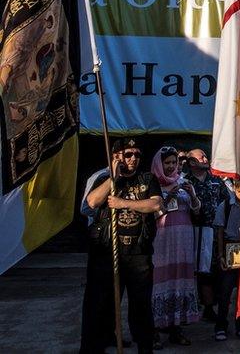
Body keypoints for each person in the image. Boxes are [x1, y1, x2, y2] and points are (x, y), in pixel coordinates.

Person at [79, 138, 163, 354]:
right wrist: (113, 179)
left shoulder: (147, 178)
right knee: (99, 307)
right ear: (116, 156)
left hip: (138, 254)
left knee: (141, 308)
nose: (133, 158)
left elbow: (155, 203)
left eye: (136, 154)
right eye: (128, 154)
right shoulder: (102, 177)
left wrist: (123, 203)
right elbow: (92, 203)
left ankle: (145, 348)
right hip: (106, 253)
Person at [150, 146, 202, 346]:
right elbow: (152, 213)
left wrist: (193, 195)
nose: (171, 166)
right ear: (159, 165)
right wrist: (169, 195)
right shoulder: (152, 185)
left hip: (183, 241)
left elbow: (197, 211)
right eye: (167, 163)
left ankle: (176, 327)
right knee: (159, 281)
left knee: (179, 280)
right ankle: (153, 329)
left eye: (174, 162)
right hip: (162, 240)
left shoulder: (184, 182)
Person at [184, 148, 227, 323]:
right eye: (201, 157)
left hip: (215, 232)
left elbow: (227, 201)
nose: (205, 158)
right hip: (193, 231)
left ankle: (210, 307)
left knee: (213, 270)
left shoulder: (216, 181)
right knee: (195, 271)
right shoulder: (185, 182)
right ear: (192, 162)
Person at [213, 181, 240, 342]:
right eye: (239, 188)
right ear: (234, 188)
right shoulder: (225, 205)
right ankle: (221, 325)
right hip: (229, 248)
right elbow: (219, 231)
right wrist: (220, 255)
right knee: (225, 292)